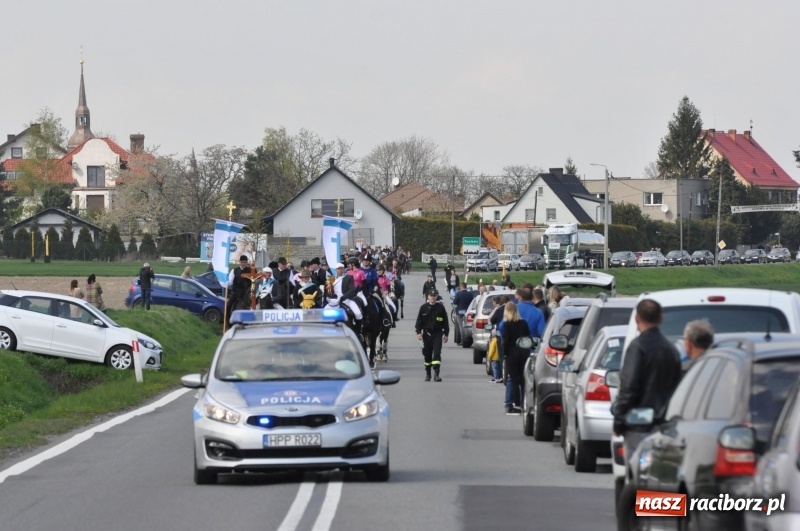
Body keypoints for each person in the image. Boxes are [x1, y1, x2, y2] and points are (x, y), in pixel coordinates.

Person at [613, 299, 682, 472]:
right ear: (661, 319)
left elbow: (628, 387)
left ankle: (637, 499)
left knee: (638, 475)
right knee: (660, 477)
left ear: (637, 318)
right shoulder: (671, 350)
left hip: (639, 425)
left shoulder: (637, 348)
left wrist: (619, 421)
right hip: (665, 425)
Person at [499, 301, 531, 415]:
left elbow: (506, 342)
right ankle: (524, 403)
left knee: (513, 379)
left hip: (512, 354)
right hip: (523, 353)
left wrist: (505, 354)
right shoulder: (523, 323)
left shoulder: (506, 325)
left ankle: (515, 403)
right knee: (523, 379)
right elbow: (528, 337)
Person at [415, 288, 449, 382]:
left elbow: (445, 321)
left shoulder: (440, 307)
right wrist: (418, 333)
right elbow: (419, 322)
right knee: (427, 354)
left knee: (437, 353)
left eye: (434, 296)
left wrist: (446, 334)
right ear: (428, 297)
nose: (433, 298)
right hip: (427, 334)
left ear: (437, 297)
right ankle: (428, 373)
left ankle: (436, 374)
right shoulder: (423, 308)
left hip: (437, 333)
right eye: (431, 296)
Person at [487, 295, 508, 383]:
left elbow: (492, 320)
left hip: (500, 334)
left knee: (500, 355)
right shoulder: (513, 310)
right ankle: (506, 374)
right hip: (511, 334)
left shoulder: (499, 310)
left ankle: (500, 375)